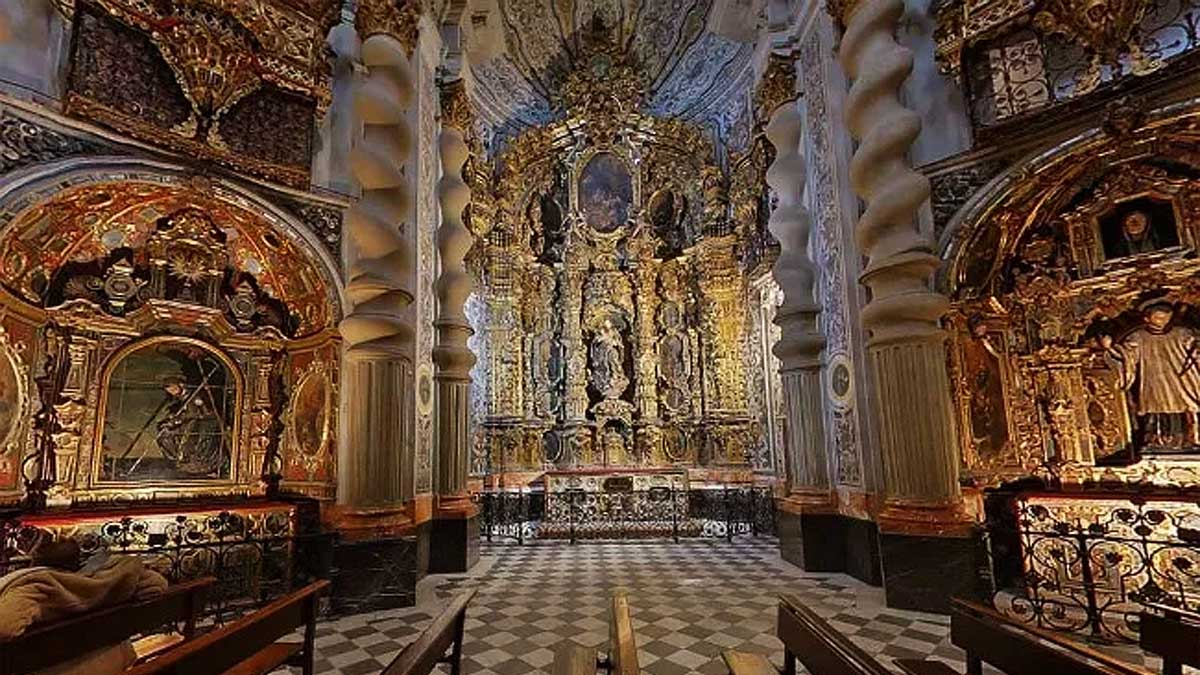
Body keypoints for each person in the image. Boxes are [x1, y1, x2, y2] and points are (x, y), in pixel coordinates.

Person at [1099, 301, 1200, 450]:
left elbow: (1195, 351)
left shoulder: (1183, 333)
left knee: (1188, 407)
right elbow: (1127, 357)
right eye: (1159, 318)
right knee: (1156, 408)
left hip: (1183, 380)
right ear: (1147, 318)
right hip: (1154, 379)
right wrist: (1109, 348)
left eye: (1166, 318)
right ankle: (1157, 440)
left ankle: (1191, 439)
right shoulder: (1138, 337)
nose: (1163, 322)